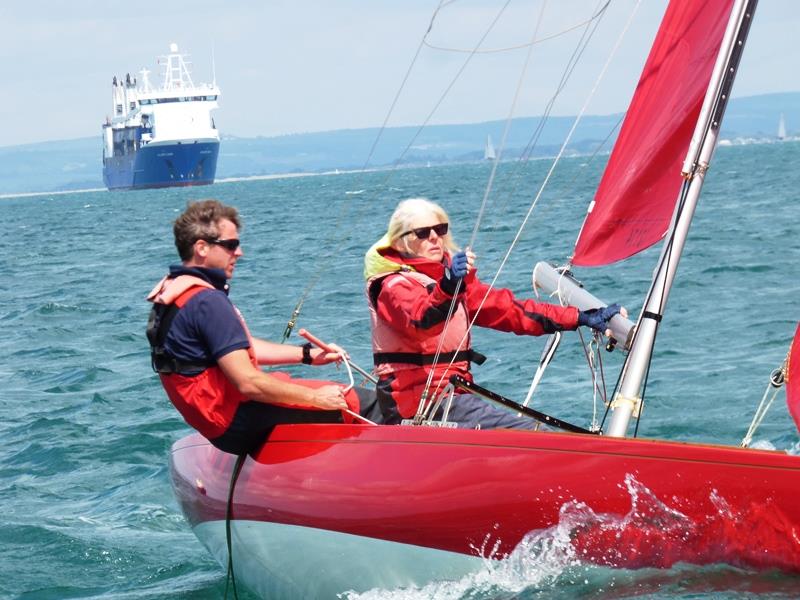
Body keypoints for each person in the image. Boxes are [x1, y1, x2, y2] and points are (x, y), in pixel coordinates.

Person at [364, 197, 624, 429]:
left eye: (440, 229)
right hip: (416, 403)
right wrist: (449, 284)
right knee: (531, 434)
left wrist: (580, 316)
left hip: (451, 396)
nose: (434, 237)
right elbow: (423, 320)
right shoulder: (392, 286)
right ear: (401, 241)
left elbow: (510, 310)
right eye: (422, 232)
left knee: (533, 430)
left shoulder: (454, 285)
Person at [147, 199, 378, 455]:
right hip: (239, 420)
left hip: (217, 425)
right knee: (365, 402)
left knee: (308, 387)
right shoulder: (207, 302)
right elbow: (248, 383)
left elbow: (235, 347)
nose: (239, 252)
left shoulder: (176, 291)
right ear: (201, 247)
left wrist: (307, 355)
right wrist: (317, 399)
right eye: (230, 245)